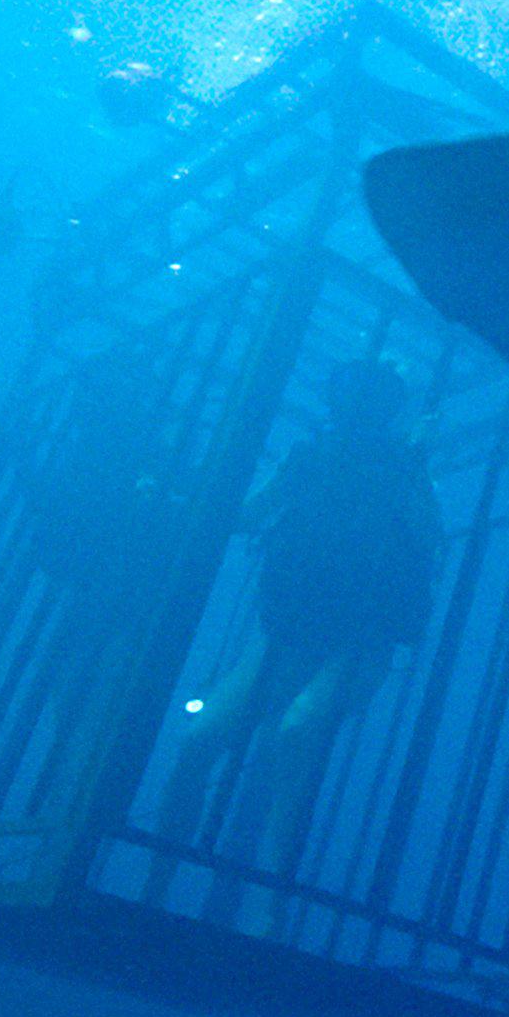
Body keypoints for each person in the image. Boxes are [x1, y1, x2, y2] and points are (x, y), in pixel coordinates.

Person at [160, 359, 444, 873]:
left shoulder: (402, 468)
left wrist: (409, 472)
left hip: (359, 641)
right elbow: (248, 513)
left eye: (362, 401)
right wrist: (191, 492)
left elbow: (430, 541)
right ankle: (166, 870)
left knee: (296, 735)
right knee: (199, 743)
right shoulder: (310, 460)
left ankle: (264, 901)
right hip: (287, 632)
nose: (350, 411)